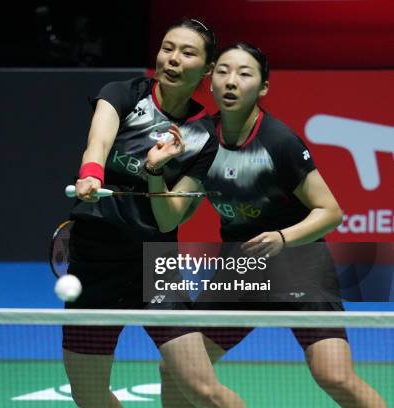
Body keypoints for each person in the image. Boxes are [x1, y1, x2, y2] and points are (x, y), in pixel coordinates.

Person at [148, 42, 386, 407]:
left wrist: (282, 237)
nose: (231, 82)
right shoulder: (199, 140)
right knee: (175, 371)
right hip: (241, 266)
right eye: (224, 71)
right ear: (210, 82)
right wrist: (154, 172)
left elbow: (330, 212)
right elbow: (173, 216)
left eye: (244, 74)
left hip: (299, 264)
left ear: (262, 88)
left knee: (333, 375)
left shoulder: (279, 141)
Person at [65, 18, 246, 408]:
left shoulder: (205, 138)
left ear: (207, 69)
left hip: (155, 263)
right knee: (89, 395)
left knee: (200, 387)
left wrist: (155, 170)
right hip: (93, 258)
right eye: (168, 48)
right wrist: (91, 175)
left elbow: (168, 219)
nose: (173, 59)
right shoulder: (123, 93)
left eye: (187, 52)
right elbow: (98, 140)